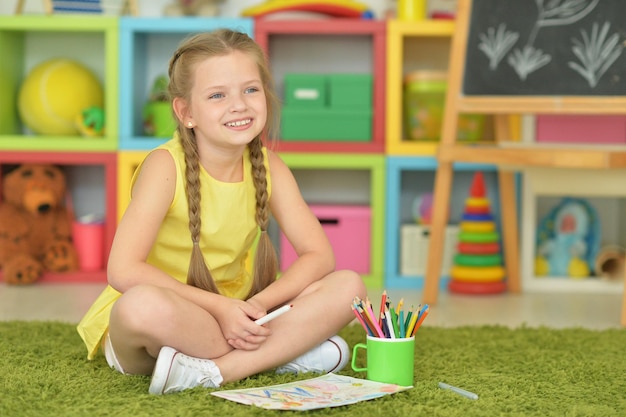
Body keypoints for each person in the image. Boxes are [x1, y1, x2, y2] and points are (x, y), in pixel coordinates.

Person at [76, 28, 366, 395]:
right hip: (172, 320)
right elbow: (123, 270)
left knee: (349, 286)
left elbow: (319, 255)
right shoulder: (164, 167)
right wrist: (220, 309)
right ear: (186, 112)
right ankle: (280, 354)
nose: (239, 105)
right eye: (217, 95)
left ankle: (216, 372)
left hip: (240, 313)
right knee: (139, 307)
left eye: (250, 89)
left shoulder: (270, 166)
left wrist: (258, 303)